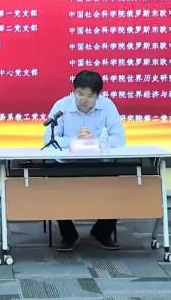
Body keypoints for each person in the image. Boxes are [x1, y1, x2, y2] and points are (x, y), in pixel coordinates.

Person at [43, 69, 126, 252]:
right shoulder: (61, 106)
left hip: (99, 163)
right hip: (66, 164)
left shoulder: (107, 106)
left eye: (89, 95)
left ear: (98, 95)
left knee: (119, 186)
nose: (83, 99)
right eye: (79, 93)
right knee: (55, 188)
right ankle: (69, 235)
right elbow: (49, 140)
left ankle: (102, 233)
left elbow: (119, 139)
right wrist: (75, 140)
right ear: (73, 91)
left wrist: (94, 141)